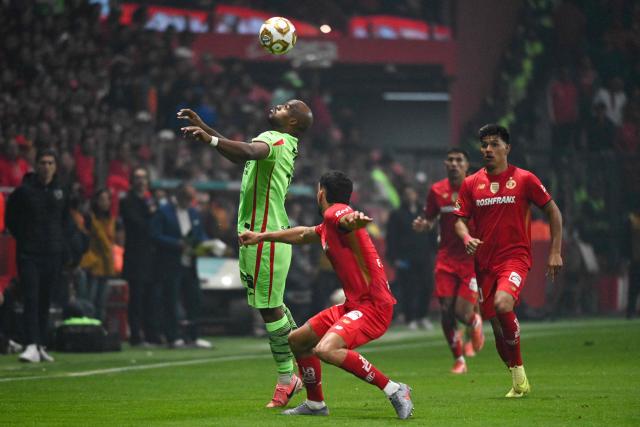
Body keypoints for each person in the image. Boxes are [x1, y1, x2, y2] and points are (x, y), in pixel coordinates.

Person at [239, 171, 414, 419]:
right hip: (354, 305)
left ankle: (395, 389)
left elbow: (345, 219)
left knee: (325, 349)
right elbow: (301, 234)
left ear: (321, 192)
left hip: (372, 307)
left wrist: (352, 221)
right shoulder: (327, 225)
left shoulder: (336, 214)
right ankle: (315, 404)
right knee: (298, 340)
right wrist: (261, 237)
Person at [178, 99, 313, 407]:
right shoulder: (285, 142)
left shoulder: (273, 139)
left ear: (292, 122)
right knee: (272, 306)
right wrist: (206, 129)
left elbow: (247, 152)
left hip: (263, 239)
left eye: (287, 107)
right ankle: (306, 358)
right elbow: (240, 152)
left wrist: (210, 139)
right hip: (266, 238)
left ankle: (287, 378)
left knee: (269, 310)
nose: (279, 105)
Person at [453, 124, 563, 397]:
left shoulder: (524, 179)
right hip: (484, 263)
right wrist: (467, 239)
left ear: (507, 148)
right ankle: (516, 376)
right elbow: (459, 222)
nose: (487, 149)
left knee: (503, 303)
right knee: (497, 328)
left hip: (515, 257)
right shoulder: (471, 183)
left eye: (494, 144)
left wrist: (554, 251)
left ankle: (519, 372)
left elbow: (553, 211)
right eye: (484, 145)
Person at [413, 148, 484, 374]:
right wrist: (424, 225)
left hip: (471, 258)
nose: (454, 163)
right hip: (446, 258)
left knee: (462, 313)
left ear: (466, 165)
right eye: (450, 160)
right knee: (445, 310)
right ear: (445, 164)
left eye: (459, 160)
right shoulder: (437, 190)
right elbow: (430, 219)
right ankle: (459, 359)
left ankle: (474, 323)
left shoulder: (478, 189)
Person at [5, 149, 69, 363]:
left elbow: (65, 221)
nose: (47, 166)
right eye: (43, 162)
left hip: (53, 254)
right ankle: (30, 343)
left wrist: (62, 247)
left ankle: (40, 344)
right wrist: (25, 239)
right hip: (30, 253)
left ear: (55, 166)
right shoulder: (24, 191)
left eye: (51, 162)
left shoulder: (60, 191)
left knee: (45, 300)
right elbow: (11, 218)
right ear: (36, 165)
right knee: (31, 298)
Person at [151, 183, 211, 349]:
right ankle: (173, 336)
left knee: (194, 299)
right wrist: (177, 244)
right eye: (186, 197)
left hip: (190, 263)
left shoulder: (193, 212)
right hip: (171, 263)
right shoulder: (164, 211)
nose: (189, 201)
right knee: (171, 299)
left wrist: (208, 245)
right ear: (178, 195)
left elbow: (200, 234)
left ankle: (193, 335)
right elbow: (155, 235)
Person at [120, 167, 160, 345]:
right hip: (136, 255)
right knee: (136, 297)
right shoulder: (128, 201)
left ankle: (152, 334)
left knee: (151, 298)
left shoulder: (151, 200)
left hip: (151, 256)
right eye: (137, 177)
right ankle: (136, 336)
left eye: (144, 177)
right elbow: (138, 224)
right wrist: (151, 215)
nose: (141, 181)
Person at [386, 186, 433, 330]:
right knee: (409, 289)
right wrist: (394, 258)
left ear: (416, 194)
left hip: (424, 256)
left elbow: (432, 231)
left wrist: (434, 250)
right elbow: (391, 237)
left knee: (427, 286)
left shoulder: (424, 212)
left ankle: (422, 316)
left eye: (411, 193)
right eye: (406, 194)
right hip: (406, 258)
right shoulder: (396, 214)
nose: (409, 196)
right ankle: (410, 318)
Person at [79, 189, 116, 322]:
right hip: (93, 264)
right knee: (90, 301)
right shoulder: (90, 219)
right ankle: (88, 326)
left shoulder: (111, 219)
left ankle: (98, 329)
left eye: (107, 199)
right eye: (102, 199)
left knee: (102, 302)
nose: (105, 202)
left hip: (107, 265)